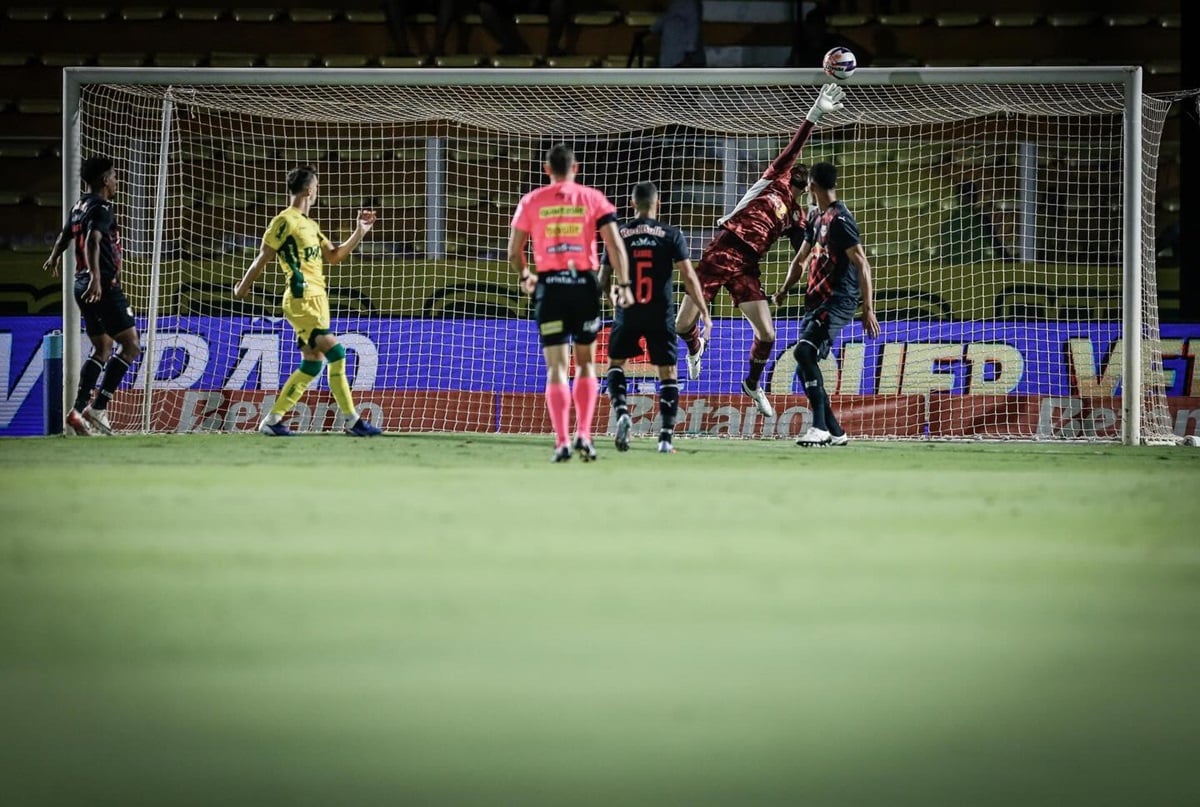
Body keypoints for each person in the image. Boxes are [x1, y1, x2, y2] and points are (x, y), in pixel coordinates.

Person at [675, 82, 846, 419]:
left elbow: (806, 254)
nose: (799, 169)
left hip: (748, 265)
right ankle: (695, 345)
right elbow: (793, 148)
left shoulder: (798, 217)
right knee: (682, 326)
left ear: (809, 185)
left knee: (768, 333)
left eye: (804, 173)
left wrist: (818, 274)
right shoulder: (775, 178)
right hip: (723, 249)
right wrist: (814, 114)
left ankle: (752, 384)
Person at [233, 165, 383, 437]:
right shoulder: (285, 220)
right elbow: (263, 256)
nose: (318, 191)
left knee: (312, 363)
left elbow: (335, 256)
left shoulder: (311, 226)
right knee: (336, 352)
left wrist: (360, 231)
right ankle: (352, 420)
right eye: (317, 186)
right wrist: (243, 286)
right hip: (302, 298)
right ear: (310, 189)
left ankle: (272, 420)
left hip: (318, 299)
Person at [509, 143, 633, 462]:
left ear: (546, 170)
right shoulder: (592, 198)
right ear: (575, 168)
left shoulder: (532, 201)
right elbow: (616, 247)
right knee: (587, 364)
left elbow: (514, 251)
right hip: (583, 285)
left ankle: (562, 441)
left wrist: (525, 275)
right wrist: (623, 283)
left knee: (556, 368)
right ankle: (585, 436)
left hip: (550, 286)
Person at [769, 160, 879, 446]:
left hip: (839, 299)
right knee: (804, 362)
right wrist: (782, 291)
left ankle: (818, 427)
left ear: (812, 186)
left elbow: (862, 263)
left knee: (804, 353)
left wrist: (867, 308)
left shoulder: (840, 220)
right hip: (816, 301)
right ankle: (836, 431)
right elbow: (801, 260)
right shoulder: (816, 218)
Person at [601, 181, 711, 454]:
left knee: (616, 364)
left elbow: (601, 279)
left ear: (632, 203)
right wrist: (705, 313)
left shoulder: (619, 234)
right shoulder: (671, 234)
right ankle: (664, 439)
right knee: (668, 375)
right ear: (657, 204)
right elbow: (689, 277)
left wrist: (612, 297)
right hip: (661, 313)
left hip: (629, 309)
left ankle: (623, 413)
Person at [43, 156, 141, 436]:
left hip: (79, 285)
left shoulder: (78, 205)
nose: (116, 180)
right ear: (104, 181)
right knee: (132, 345)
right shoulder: (103, 208)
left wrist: (54, 257)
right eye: (113, 176)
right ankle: (98, 408)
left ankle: (76, 411)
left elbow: (65, 236)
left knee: (102, 348)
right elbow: (94, 240)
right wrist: (98, 278)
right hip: (102, 287)